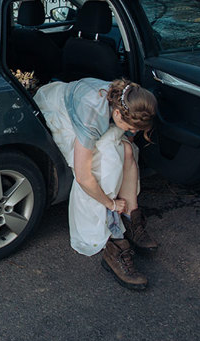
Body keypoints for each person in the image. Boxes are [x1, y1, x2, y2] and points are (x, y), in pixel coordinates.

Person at [34, 77, 158, 290]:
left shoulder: (126, 98)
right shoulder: (93, 115)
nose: (134, 132)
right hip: (57, 111)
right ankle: (114, 242)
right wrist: (110, 203)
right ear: (117, 114)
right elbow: (83, 177)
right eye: (131, 127)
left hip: (79, 104)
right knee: (103, 165)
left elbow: (127, 134)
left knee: (126, 149)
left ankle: (130, 218)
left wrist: (128, 133)